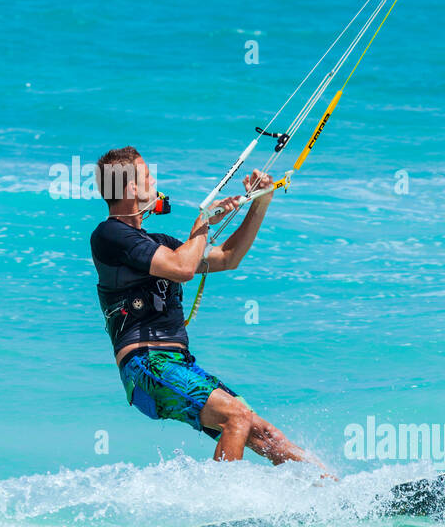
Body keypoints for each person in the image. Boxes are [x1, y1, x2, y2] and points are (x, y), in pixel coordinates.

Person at [90, 146, 335, 475]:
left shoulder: (156, 240)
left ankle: (330, 486)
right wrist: (202, 224)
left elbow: (228, 258)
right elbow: (183, 268)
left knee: (261, 432)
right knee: (238, 415)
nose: (154, 181)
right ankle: (221, 505)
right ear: (132, 188)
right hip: (146, 364)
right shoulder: (109, 235)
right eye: (147, 175)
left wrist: (260, 201)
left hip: (177, 364)